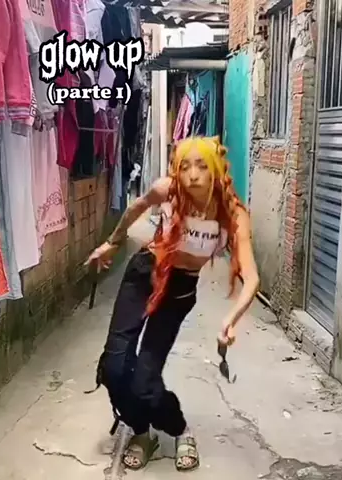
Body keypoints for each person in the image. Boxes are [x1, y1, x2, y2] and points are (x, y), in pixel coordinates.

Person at [85, 136, 260, 472]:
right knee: (114, 367)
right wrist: (112, 243)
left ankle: (179, 429)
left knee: (145, 380)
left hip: (178, 292)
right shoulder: (167, 190)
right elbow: (136, 207)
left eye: (202, 166)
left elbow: (251, 278)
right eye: (185, 166)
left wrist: (230, 321)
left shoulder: (232, 213)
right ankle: (141, 431)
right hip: (144, 274)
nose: (192, 174)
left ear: (216, 169)